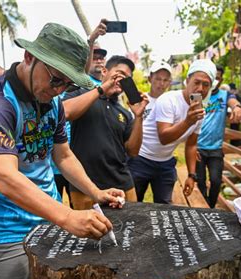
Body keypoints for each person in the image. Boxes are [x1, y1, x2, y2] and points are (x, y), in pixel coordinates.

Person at [0, 23, 125, 279]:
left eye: (66, 84)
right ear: (29, 57)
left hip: (47, 215)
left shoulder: (53, 103)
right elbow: (2, 176)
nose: (58, 91)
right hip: (5, 226)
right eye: (55, 80)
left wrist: (95, 192)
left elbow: (63, 156)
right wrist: (67, 216)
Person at [62, 55, 148, 210]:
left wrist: (139, 117)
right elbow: (66, 111)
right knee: (88, 233)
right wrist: (101, 89)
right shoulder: (81, 94)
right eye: (119, 74)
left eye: (127, 78)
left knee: (130, 230)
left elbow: (133, 151)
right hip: (85, 186)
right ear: (104, 71)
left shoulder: (124, 112)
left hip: (122, 185)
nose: (121, 81)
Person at [128, 59, 215, 204]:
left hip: (165, 163)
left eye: (206, 85)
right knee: (133, 205)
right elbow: (164, 137)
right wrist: (188, 121)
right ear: (187, 80)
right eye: (196, 82)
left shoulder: (199, 112)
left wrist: (191, 175)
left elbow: (191, 145)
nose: (200, 88)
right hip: (141, 159)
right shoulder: (168, 100)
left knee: (165, 208)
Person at [196, 65, 241, 208]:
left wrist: (236, 107)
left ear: (221, 79)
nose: (215, 80)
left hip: (215, 148)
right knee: (201, 181)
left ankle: (210, 206)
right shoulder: (198, 95)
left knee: (216, 181)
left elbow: (233, 101)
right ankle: (205, 209)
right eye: (213, 77)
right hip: (198, 147)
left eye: (218, 77)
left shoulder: (225, 95)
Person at [127, 61, 173, 202]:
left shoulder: (172, 102)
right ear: (150, 79)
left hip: (165, 162)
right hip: (140, 159)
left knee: (164, 205)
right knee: (135, 203)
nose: (161, 83)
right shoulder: (140, 101)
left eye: (165, 80)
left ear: (169, 83)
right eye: (158, 79)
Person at [86, 19, 108, 86]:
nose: (99, 61)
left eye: (101, 58)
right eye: (94, 58)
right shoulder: (83, 81)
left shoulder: (108, 84)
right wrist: (92, 40)